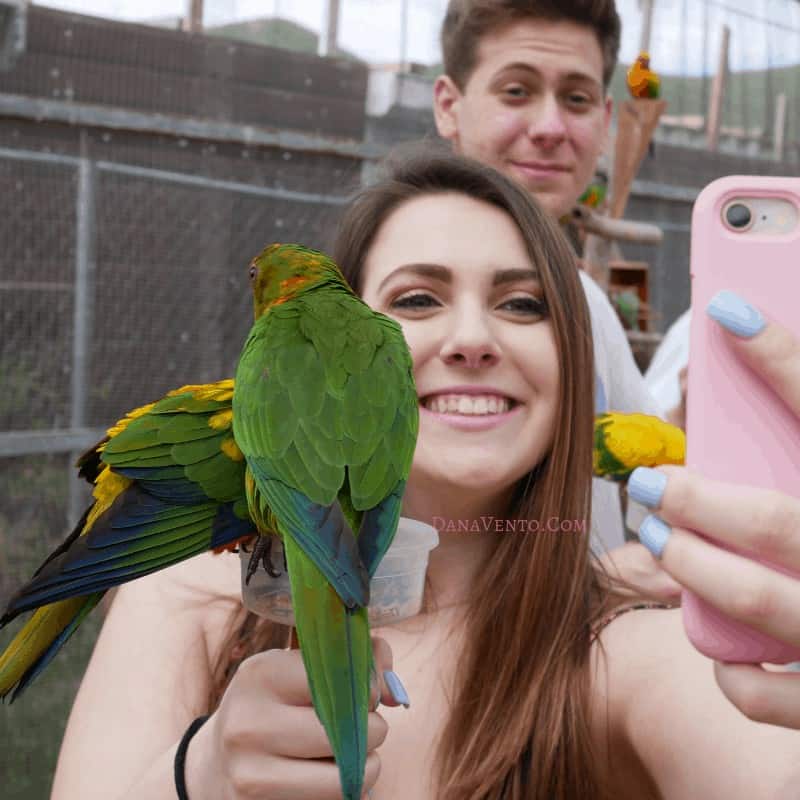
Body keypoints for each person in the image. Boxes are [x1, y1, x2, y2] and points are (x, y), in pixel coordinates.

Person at [50, 153, 800, 800]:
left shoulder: (628, 655)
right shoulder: (185, 594)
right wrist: (199, 774)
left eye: (523, 304)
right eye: (416, 299)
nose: (472, 338)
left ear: (574, 366)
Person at [429, 0, 670, 570]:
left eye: (577, 99)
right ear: (448, 106)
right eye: (516, 91)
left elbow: (660, 478)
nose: (550, 128)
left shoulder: (587, 304)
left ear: (606, 120)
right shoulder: (362, 308)